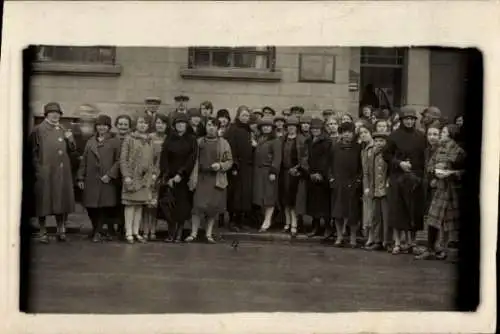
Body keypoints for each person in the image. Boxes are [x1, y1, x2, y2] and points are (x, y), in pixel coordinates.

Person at [416, 124, 465, 260]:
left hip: (453, 190)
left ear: (451, 135)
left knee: (452, 222)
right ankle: (430, 249)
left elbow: (463, 171)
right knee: (433, 219)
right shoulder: (439, 149)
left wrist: (451, 173)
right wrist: (435, 171)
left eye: (443, 132)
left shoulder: (459, 152)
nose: (441, 135)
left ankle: (447, 250)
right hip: (441, 189)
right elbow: (430, 166)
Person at [31, 102, 77, 243]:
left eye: (58, 113)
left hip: (62, 172)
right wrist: (38, 169)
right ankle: (43, 231)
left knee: (61, 200)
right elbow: (31, 152)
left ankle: (61, 229)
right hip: (45, 171)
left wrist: (70, 139)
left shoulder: (63, 129)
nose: (55, 115)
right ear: (46, 114)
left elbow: (73, 150)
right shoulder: (38, 130)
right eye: (52, 112)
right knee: (43, 201)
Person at [383, 106, 426, 255]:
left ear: (415, 121)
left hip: (415, 179)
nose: (409, 121)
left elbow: (424, 158)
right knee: (398, 211)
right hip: (397, 177)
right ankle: (397, 242)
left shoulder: (421, 136)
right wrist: (399, 163)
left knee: (414, 212)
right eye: (406, 119)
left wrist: (420, 175)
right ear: (401, 120)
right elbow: (386, 155)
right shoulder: (394, 136)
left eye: (411, 119)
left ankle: (412, 242)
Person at [186, 117, 233, 244]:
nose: (211, 128)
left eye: (214, 126)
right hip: (200, 177)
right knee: (197, 206)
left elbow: (229, 161)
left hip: (216, 179)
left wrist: (221, 166)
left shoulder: (224, 143)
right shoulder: (199, 142)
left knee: (212, 208)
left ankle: (208, 234)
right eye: (209, 125)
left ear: (218, 128)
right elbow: (191, 160)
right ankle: (193, 233)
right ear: (205, 127)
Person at [77, 114, 121, 242]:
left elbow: (119, 161)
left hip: (105, 179)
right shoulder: (90, 141)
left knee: (103, 207)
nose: (101, 128)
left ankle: (98, 231)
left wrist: (110, 175)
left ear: (108, 127)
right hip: (91, 179)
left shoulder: (115, 141)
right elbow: (84, 160)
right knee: (91, 207)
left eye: (104, 125)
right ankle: (96, 229)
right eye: (99, 125)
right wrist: (80, 177)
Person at [159, 113, 198, 243]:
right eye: (178, 124)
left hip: (184, 178)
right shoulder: (170, 138)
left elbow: (191, 159)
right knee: (169, 205)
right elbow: (164, 157)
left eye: (183, 123)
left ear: (186, 125)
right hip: (170, 177)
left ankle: (179, 232)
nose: (180, 126)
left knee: (182, 206)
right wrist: (167, 175)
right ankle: (171, 231)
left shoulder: (192, 139)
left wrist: (181, 174)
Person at [120, 115, 155, 244]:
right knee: (130, 205)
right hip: (132, 176)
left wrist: (151, 174)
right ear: (136, 124)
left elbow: (152, 159)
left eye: (145, 123)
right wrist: (126, 175)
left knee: (139, 205)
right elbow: (123, 159)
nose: (143, 125)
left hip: (144, 178)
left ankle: (136, 231)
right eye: (140, 122)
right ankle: (128, 232)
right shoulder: (129, 139)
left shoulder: (149, 140)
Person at [330, 122, 363, 247]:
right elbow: (329, 165)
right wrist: (331, 179)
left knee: (352, 213)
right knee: (338, 212)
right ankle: (339, 236)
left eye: (349, 132)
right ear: (341, 133)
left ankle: (353, 238)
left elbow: (361, 167)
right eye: (344, 132)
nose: (347, 134)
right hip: (338, 183)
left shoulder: (358, 148)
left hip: (352, 184)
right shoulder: (335, 147)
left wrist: (358, 180)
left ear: (353, 133)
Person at [224, 106, 255, 231]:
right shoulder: (232, 129)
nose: (245, 118)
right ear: (238, 116)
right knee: (235, 195)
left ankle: (240, 220)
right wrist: (234, 165)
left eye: (247, 116)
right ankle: (232, 221)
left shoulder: (248, 130)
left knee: (245, 195)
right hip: (236, 167)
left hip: (247, 168)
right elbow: (230, 148)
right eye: (243, 115)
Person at [251, 116, 283, 232]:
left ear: (272, 128)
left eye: (268, 126)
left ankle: (267, 220)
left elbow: (277, 158)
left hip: (268, 171)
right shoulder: (260, 139)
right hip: (258, 172)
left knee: (269, 196)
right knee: (261, 197)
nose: (266, 128)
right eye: (263, 126)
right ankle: (264, 218)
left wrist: (273, 171)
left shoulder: (275, 141)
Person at [279, 116, 308, 237]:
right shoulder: (283, 139)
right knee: (285, 200)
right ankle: (287, 223)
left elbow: (305, 157)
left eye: (293, 126)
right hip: (284, 172)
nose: (291, 128)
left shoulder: (302, 140)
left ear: (297, 128)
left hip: (296, 173)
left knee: (294, 200)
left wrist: (297, 168)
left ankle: (294, 225)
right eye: (289, 126)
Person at [142, 113, 169, 241]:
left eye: (163, 123)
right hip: (149, 174)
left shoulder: (168, 139)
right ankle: (145, 229)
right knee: (146, 204)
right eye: (158, 123)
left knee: (155, 205)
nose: (160, 125)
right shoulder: (149, 138)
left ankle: (153, 229)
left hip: (161, 175)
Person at [305, 118, 332, 237]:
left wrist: (320, 173)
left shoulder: (326, 142)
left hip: (323, 177)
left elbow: (326, 160)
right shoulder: (309, 141)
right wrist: (309, 172)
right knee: (313, 204)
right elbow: (307, 158)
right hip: (311, 175)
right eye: (313, 128)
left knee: (324, 204)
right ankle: (315, 227)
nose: (315, 130)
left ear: (321, 129)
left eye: (317, 129)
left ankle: (327, 227)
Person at [365, 131, 391, 251]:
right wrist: (369, 187)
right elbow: (369, 172)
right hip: (375, 188)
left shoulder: (389, 154)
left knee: (386, 216)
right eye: (376, 141)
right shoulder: (372, 155)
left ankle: (387, 241)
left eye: (381, 141)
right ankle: (377, 240)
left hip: (386, 189)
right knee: (376, 216)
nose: (379, 143)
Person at [112, 114, 132, 238]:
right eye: (120, 124)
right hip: (114, 175)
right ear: (116, 126)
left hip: (128, 176)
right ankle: (114, 226)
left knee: (127, 202)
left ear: (129, 127)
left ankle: (125, 227)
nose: (123, 127)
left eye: (125, 124)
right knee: (115, 201)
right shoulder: (112, 139)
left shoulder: (132, 139)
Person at [359, 123, 375, 247]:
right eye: (361, 133)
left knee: (372, 211)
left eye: (365, 132)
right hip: (366, 181)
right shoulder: (363, 149)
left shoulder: (374, 148)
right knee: (367, 210)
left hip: (373, 182)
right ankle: (369, 235)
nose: (363, 135)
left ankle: (372, 237)